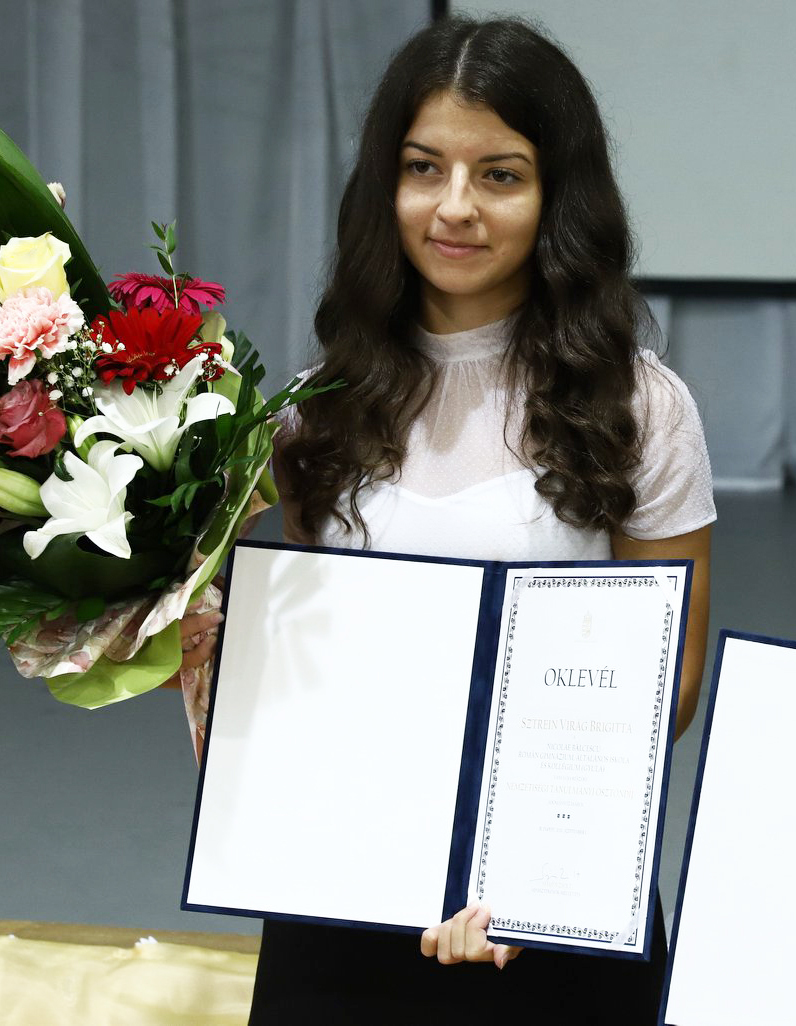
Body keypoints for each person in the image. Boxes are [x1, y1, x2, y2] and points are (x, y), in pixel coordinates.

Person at [183, 16, 713, 1023]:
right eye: (423, 168)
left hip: (546, 905)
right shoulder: (316, 404)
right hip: (344, 883)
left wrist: (530, 869)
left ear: (558, 196)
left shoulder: (639, 405)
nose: (455, 207)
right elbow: (317, 658)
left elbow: (670, 684)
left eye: (500, 176)